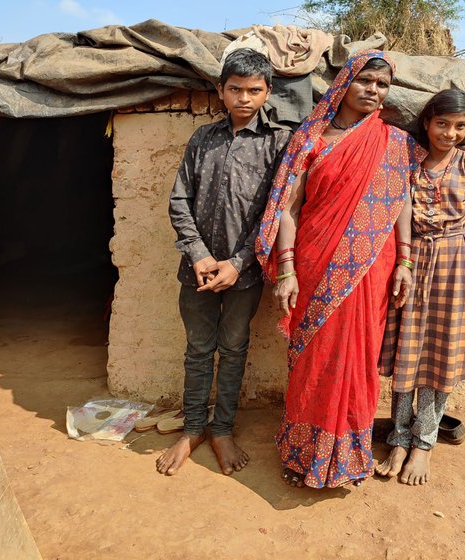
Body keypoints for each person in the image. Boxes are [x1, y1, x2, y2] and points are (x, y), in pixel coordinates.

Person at [255, 51, 423, 489]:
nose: (373, 90)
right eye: (365, 80)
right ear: (344, 82)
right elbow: (288, 209)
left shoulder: (394, 142)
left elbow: (400, 202)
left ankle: (349, 454)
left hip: (371, 267)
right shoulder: (310, 140)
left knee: (360, 358)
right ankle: (303, 452)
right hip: (314, 263)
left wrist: (406, 260)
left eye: (382, 85)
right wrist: (287, 270)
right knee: (314, 358)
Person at [157, 48, 292, 476]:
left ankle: (222, 430)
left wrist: (236, 262)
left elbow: (276, 210)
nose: (244, 98)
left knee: (233, 349)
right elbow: (180, 201)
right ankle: (193, 429)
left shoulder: (279, 142)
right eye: (235, 89)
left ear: (268, 92)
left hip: (245, 273)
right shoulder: (203, 139)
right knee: (198, 349)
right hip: (195, 270)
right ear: (220, 90)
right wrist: (199, 255)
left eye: (254, 90)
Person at [376, 89, 465, 485]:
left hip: (455, 265)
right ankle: (398, 438)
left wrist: (447, 248)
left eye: (460, 126)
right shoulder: (408, 163)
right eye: (442, 123)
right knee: (408, 352)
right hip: (410, 261)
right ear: (426, 122)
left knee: (440, 356)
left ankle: (423, 444)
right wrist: (409, 257)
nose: (450, 133)